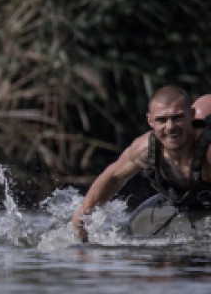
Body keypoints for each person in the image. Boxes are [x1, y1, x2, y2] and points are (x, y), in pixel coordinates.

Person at [72, 86, 211, 242]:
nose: (170, 127)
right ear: (150, 121)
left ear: (191, 115)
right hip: (182, 202)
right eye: (161, 120)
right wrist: (82, 218)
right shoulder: (144, 149)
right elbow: (113, 176)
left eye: (177, 117)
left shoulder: (208, 152)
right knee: (137, 231)